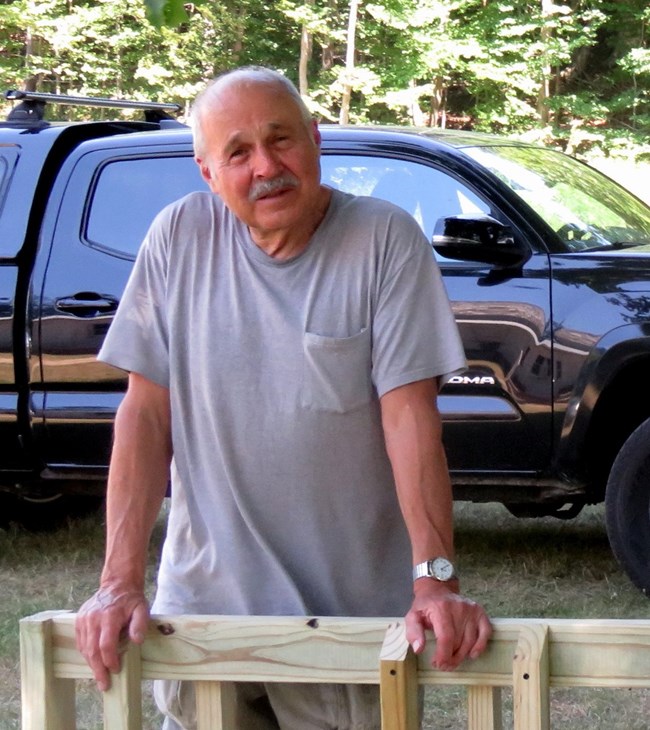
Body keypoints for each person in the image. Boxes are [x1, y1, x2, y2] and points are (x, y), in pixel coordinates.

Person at [75, 66, 492, 729]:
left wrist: (435, 579)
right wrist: (118, 583)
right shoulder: (177, 238)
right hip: (202, 618)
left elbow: (411, 421)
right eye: (237, 152)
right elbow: (145, 417)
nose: (266, 166)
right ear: (208, 173)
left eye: (281, 139)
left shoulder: (384, 242)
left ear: (316, 138)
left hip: (342, 627)